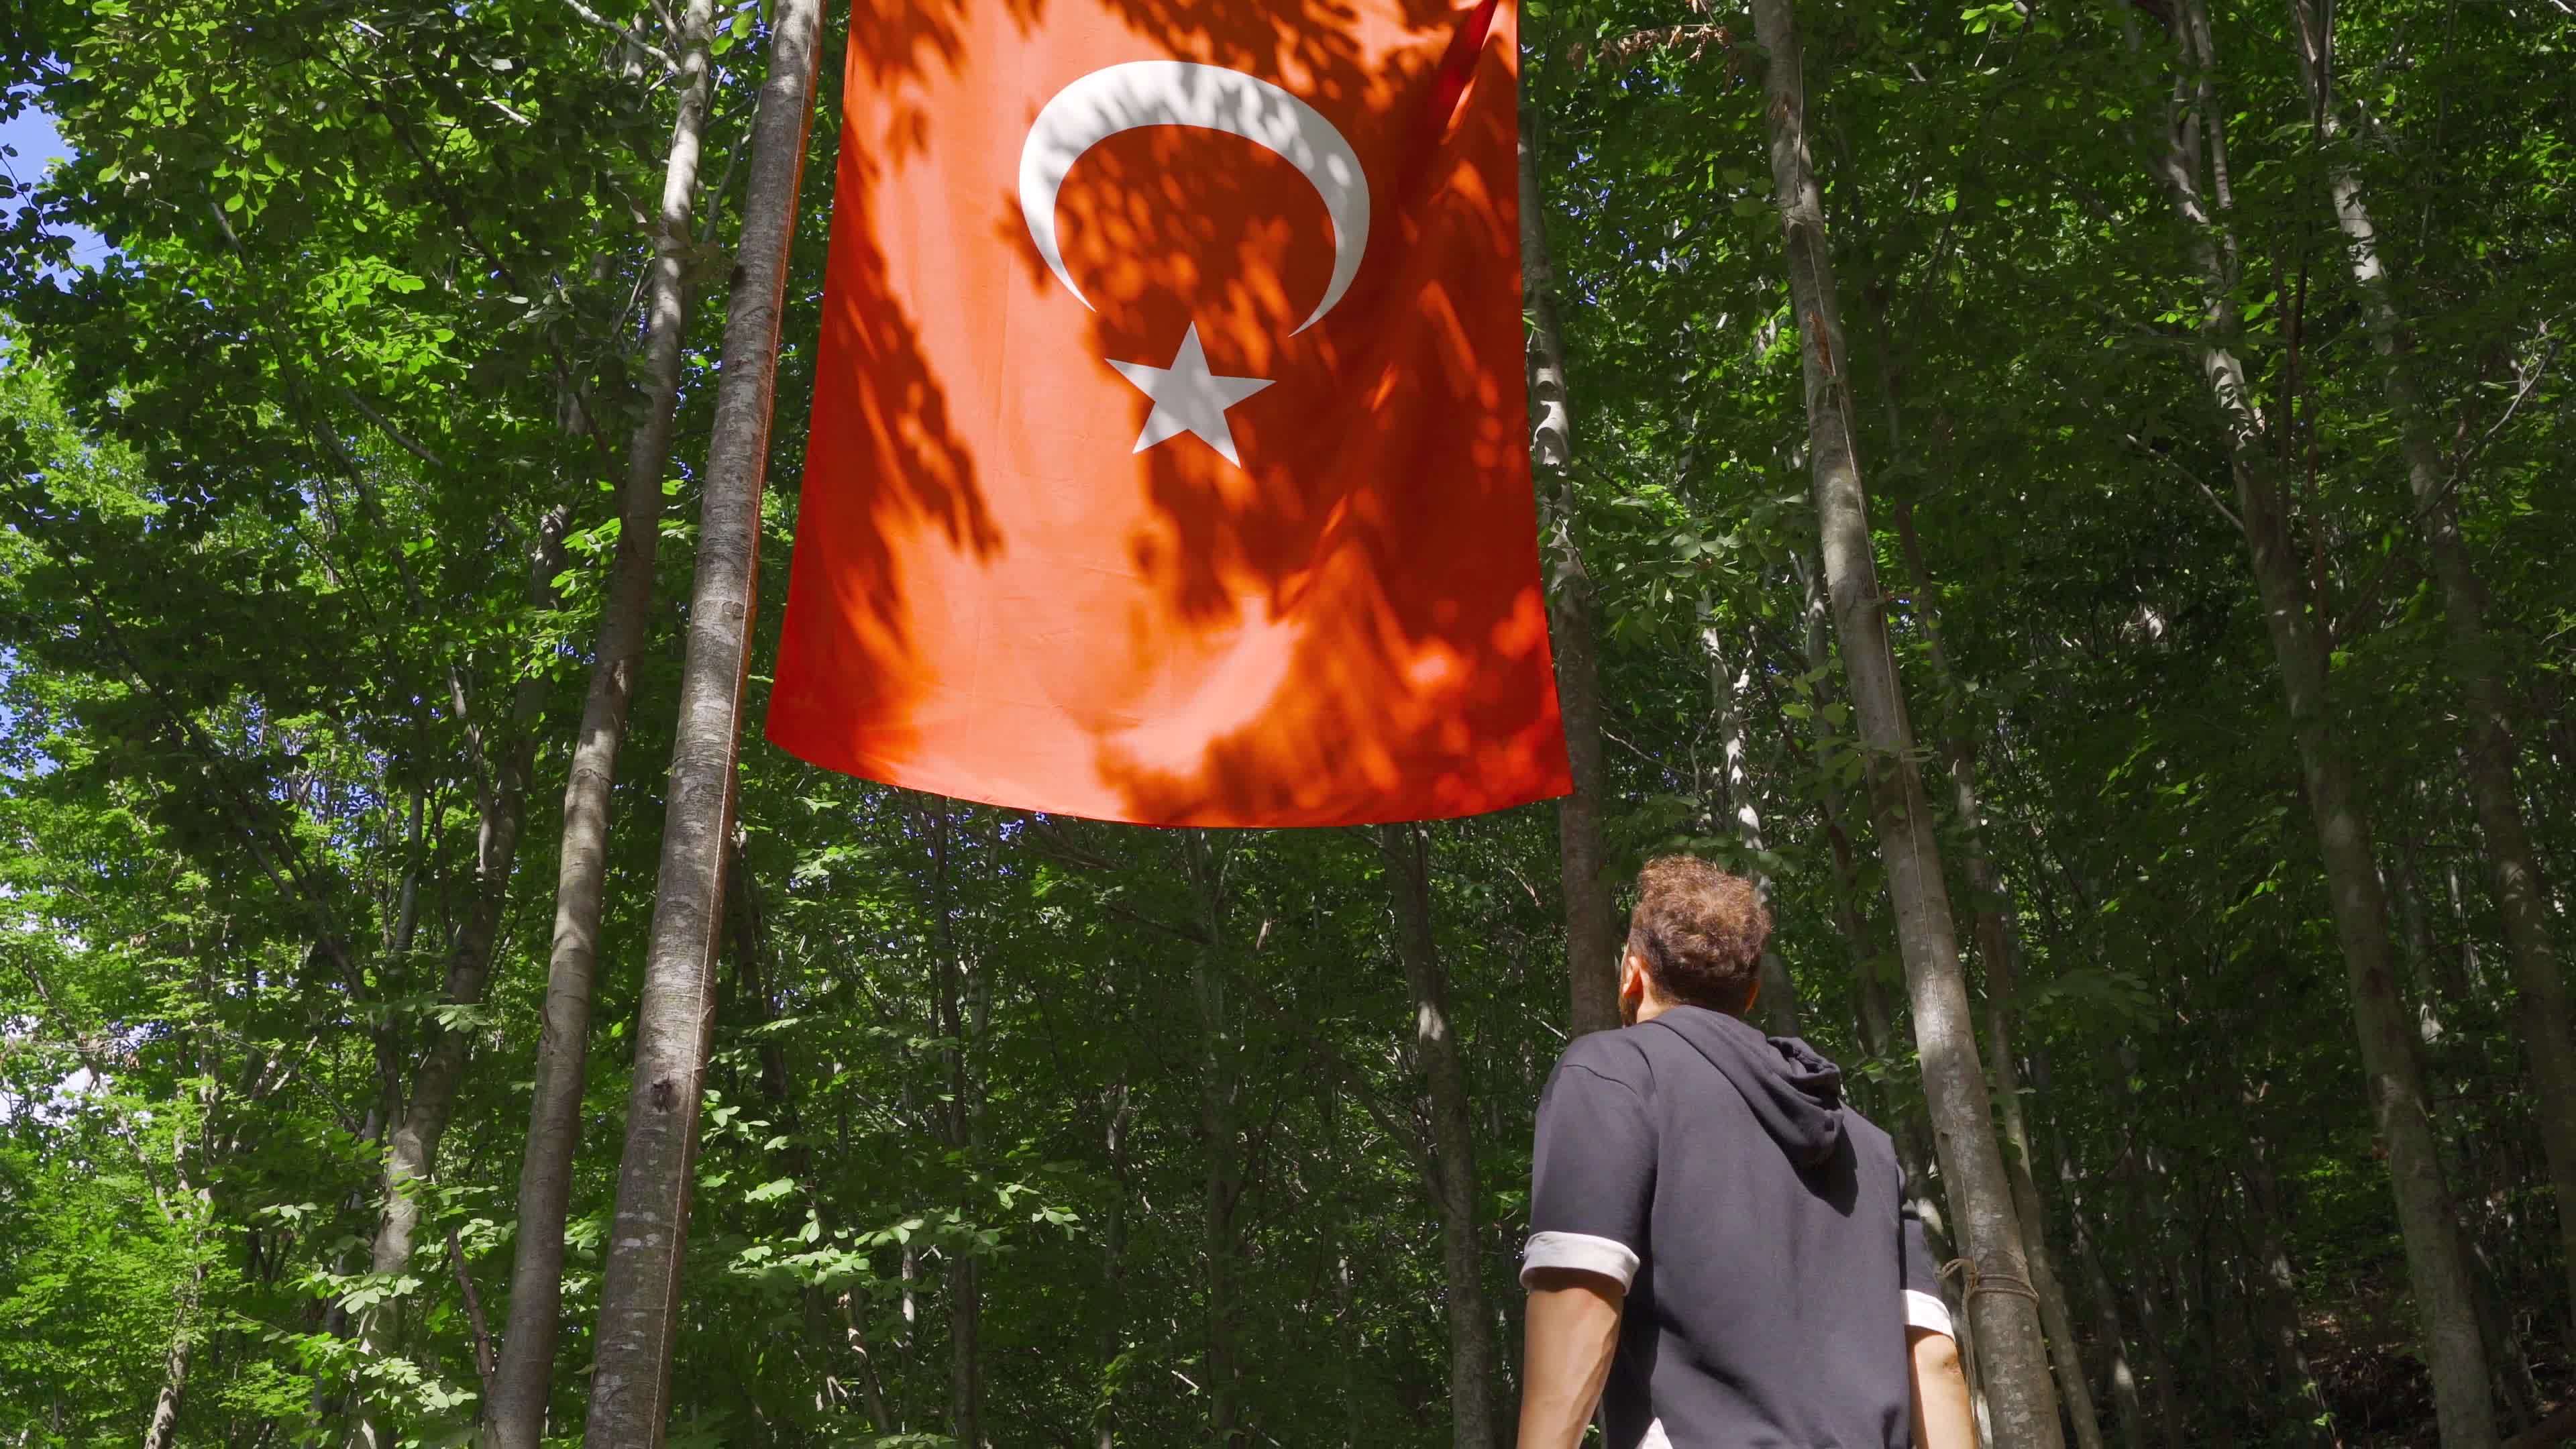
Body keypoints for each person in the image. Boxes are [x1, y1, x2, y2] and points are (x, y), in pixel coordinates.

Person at [1516, 855, 1976, 1449]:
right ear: (1751, 994)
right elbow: (1934, 1357)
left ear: (1632, 974)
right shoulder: (1866, 1144)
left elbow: (1580, 1295)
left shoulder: (1614, 1071)